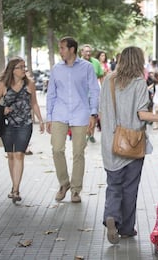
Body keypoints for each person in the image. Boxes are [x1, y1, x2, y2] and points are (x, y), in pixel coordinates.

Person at [99, 46, 158, 245]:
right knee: (130, 187)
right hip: (133, 143)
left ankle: (111, 216)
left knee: (113, 185)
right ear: (138, 61)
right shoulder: (139, 83)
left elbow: (102, 112)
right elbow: (142, 114)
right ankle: (127, 229)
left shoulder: (108, 81)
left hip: (110, 142)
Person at [46, 36, 100, 204]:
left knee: (78, 153)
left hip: (81, 114)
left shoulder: (87, 67)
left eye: (62, 48)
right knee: (56, 149)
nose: (60, 51)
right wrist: (49, 117)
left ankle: (76, 190)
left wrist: (93, 114)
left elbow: (94, 90)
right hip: (59, 114)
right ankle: (64, 184)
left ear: (72, 49)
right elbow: (51, 94)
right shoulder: (56, 69)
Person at [0, 57, 45, 203]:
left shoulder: (30, 84)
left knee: (19, 154)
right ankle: (14, 186)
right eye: (20, 67)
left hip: (25, 124)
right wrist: (2, 110)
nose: (23, 70)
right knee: (11, 155)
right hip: (7, 124)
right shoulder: (4, 85)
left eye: (24, 67)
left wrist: (41, 120)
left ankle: (15, 189)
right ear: (12, 70)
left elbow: (34, 104)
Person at [81, 44, 103, 143]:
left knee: (93, 115)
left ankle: (91, 134)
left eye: (89, 51)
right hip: (81, 94)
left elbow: (101, 76)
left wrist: (103, 91)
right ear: (82, 52)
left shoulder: (96, 62)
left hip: (94, 93)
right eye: (86, 51)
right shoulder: (77, 63)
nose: (88, 53)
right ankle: (86, 132)